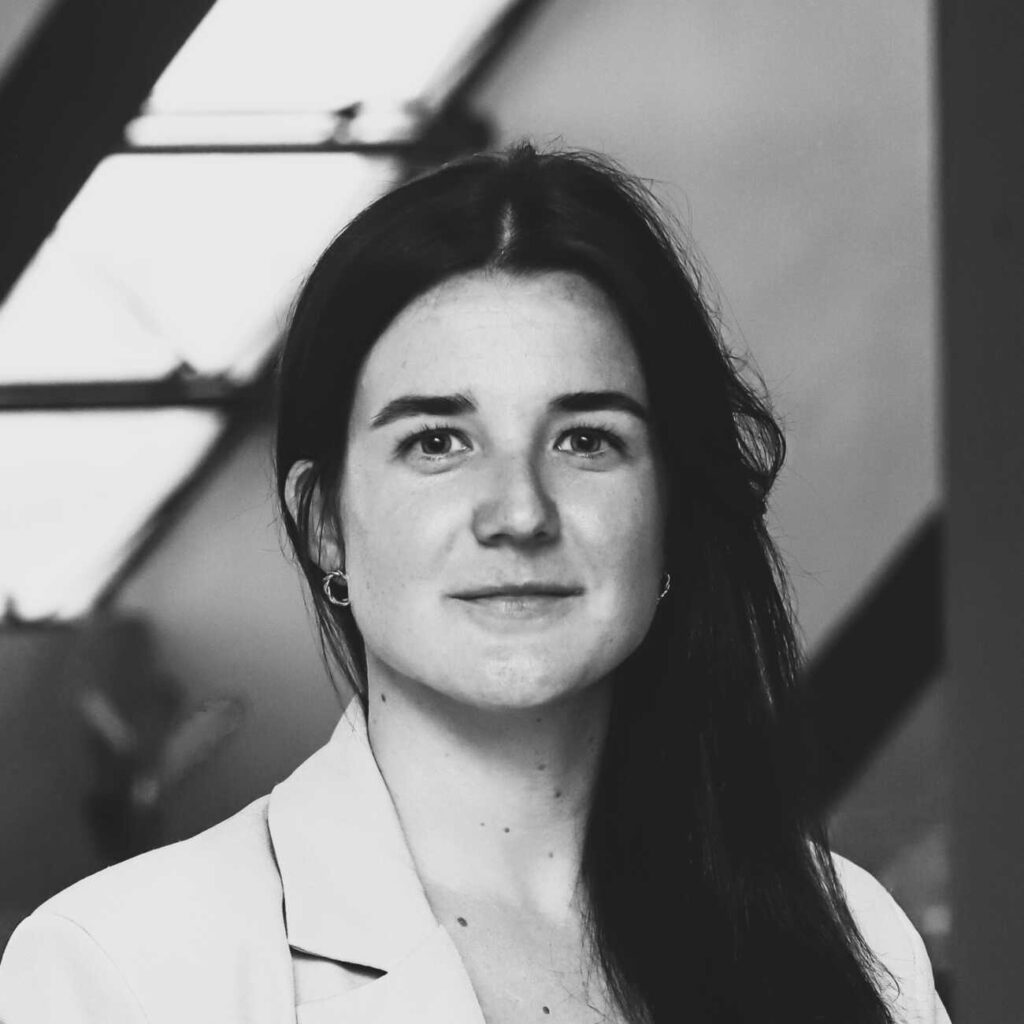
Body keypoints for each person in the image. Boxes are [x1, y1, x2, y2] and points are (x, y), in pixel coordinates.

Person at [0, 144, 950, 1024]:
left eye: (587, 439)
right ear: (324, 521)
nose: (520, 511)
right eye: (437, 443)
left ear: (670, 509)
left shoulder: (856, 939)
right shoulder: (119, 972)